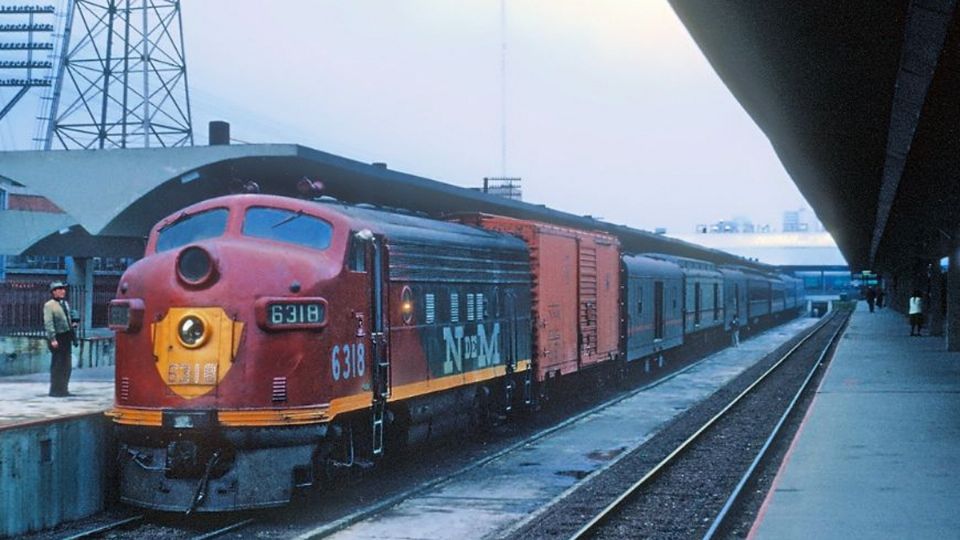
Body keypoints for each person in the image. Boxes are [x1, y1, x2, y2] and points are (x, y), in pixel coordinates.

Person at [43, 281, 78, 397]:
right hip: (58, 337)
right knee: (57, 365)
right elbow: (49, 323)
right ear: (53, 292)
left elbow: (67, 318)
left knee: (66, 365)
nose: (63, 291)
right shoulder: (49, 305)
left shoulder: (65, 304)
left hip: (67, 336)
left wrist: (72, 324)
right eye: (59, 289)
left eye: (63, 289)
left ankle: (64, 389)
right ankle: (55, 390)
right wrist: (52, 338)